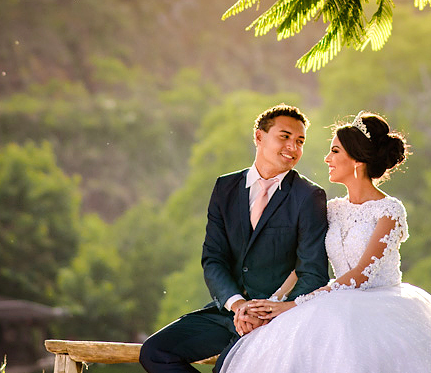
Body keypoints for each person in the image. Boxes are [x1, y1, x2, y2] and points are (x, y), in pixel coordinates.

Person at [220, 112, 431, 373]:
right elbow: (301, 264)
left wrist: (294, 305)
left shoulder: (389, 210)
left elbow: (361, 276)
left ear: (357, 161)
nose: (327, 158)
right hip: (334, 302)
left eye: (335, 151)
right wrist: (271, 304)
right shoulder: (332, 208)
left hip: (383, 310)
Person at [139, 104, 329, 373]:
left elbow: (314, 273)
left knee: (228, 368)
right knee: (156, 352)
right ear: (259, 137)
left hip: (277, 318)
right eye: (284, 136)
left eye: (300, 141)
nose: (293, 147)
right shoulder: (225, 187)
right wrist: (238, 305)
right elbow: (213, 258)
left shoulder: (309, 196)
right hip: (229, 311)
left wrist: (270, 311)